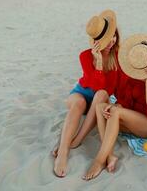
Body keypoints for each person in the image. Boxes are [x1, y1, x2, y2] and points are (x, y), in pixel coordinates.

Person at [83, 34, 147, 180]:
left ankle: (99, 160)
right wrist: (116, 105)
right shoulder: (134, 71)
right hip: (133, 119)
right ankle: (110, 155)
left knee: (115, 112)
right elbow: (125, 100)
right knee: (101, 107)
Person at [52, 10, 120, 177]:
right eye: (106, 39)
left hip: (99, 97)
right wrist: (97, 64)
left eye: (114, 36)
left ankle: (77, 140)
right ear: (96, 42)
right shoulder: (85, 55)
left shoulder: (118, 57)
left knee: (102, 94)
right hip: (81, 92)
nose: (112, 41)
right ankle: (62, 152)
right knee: (79, 103)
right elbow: (91, 83)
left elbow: (107, 89)